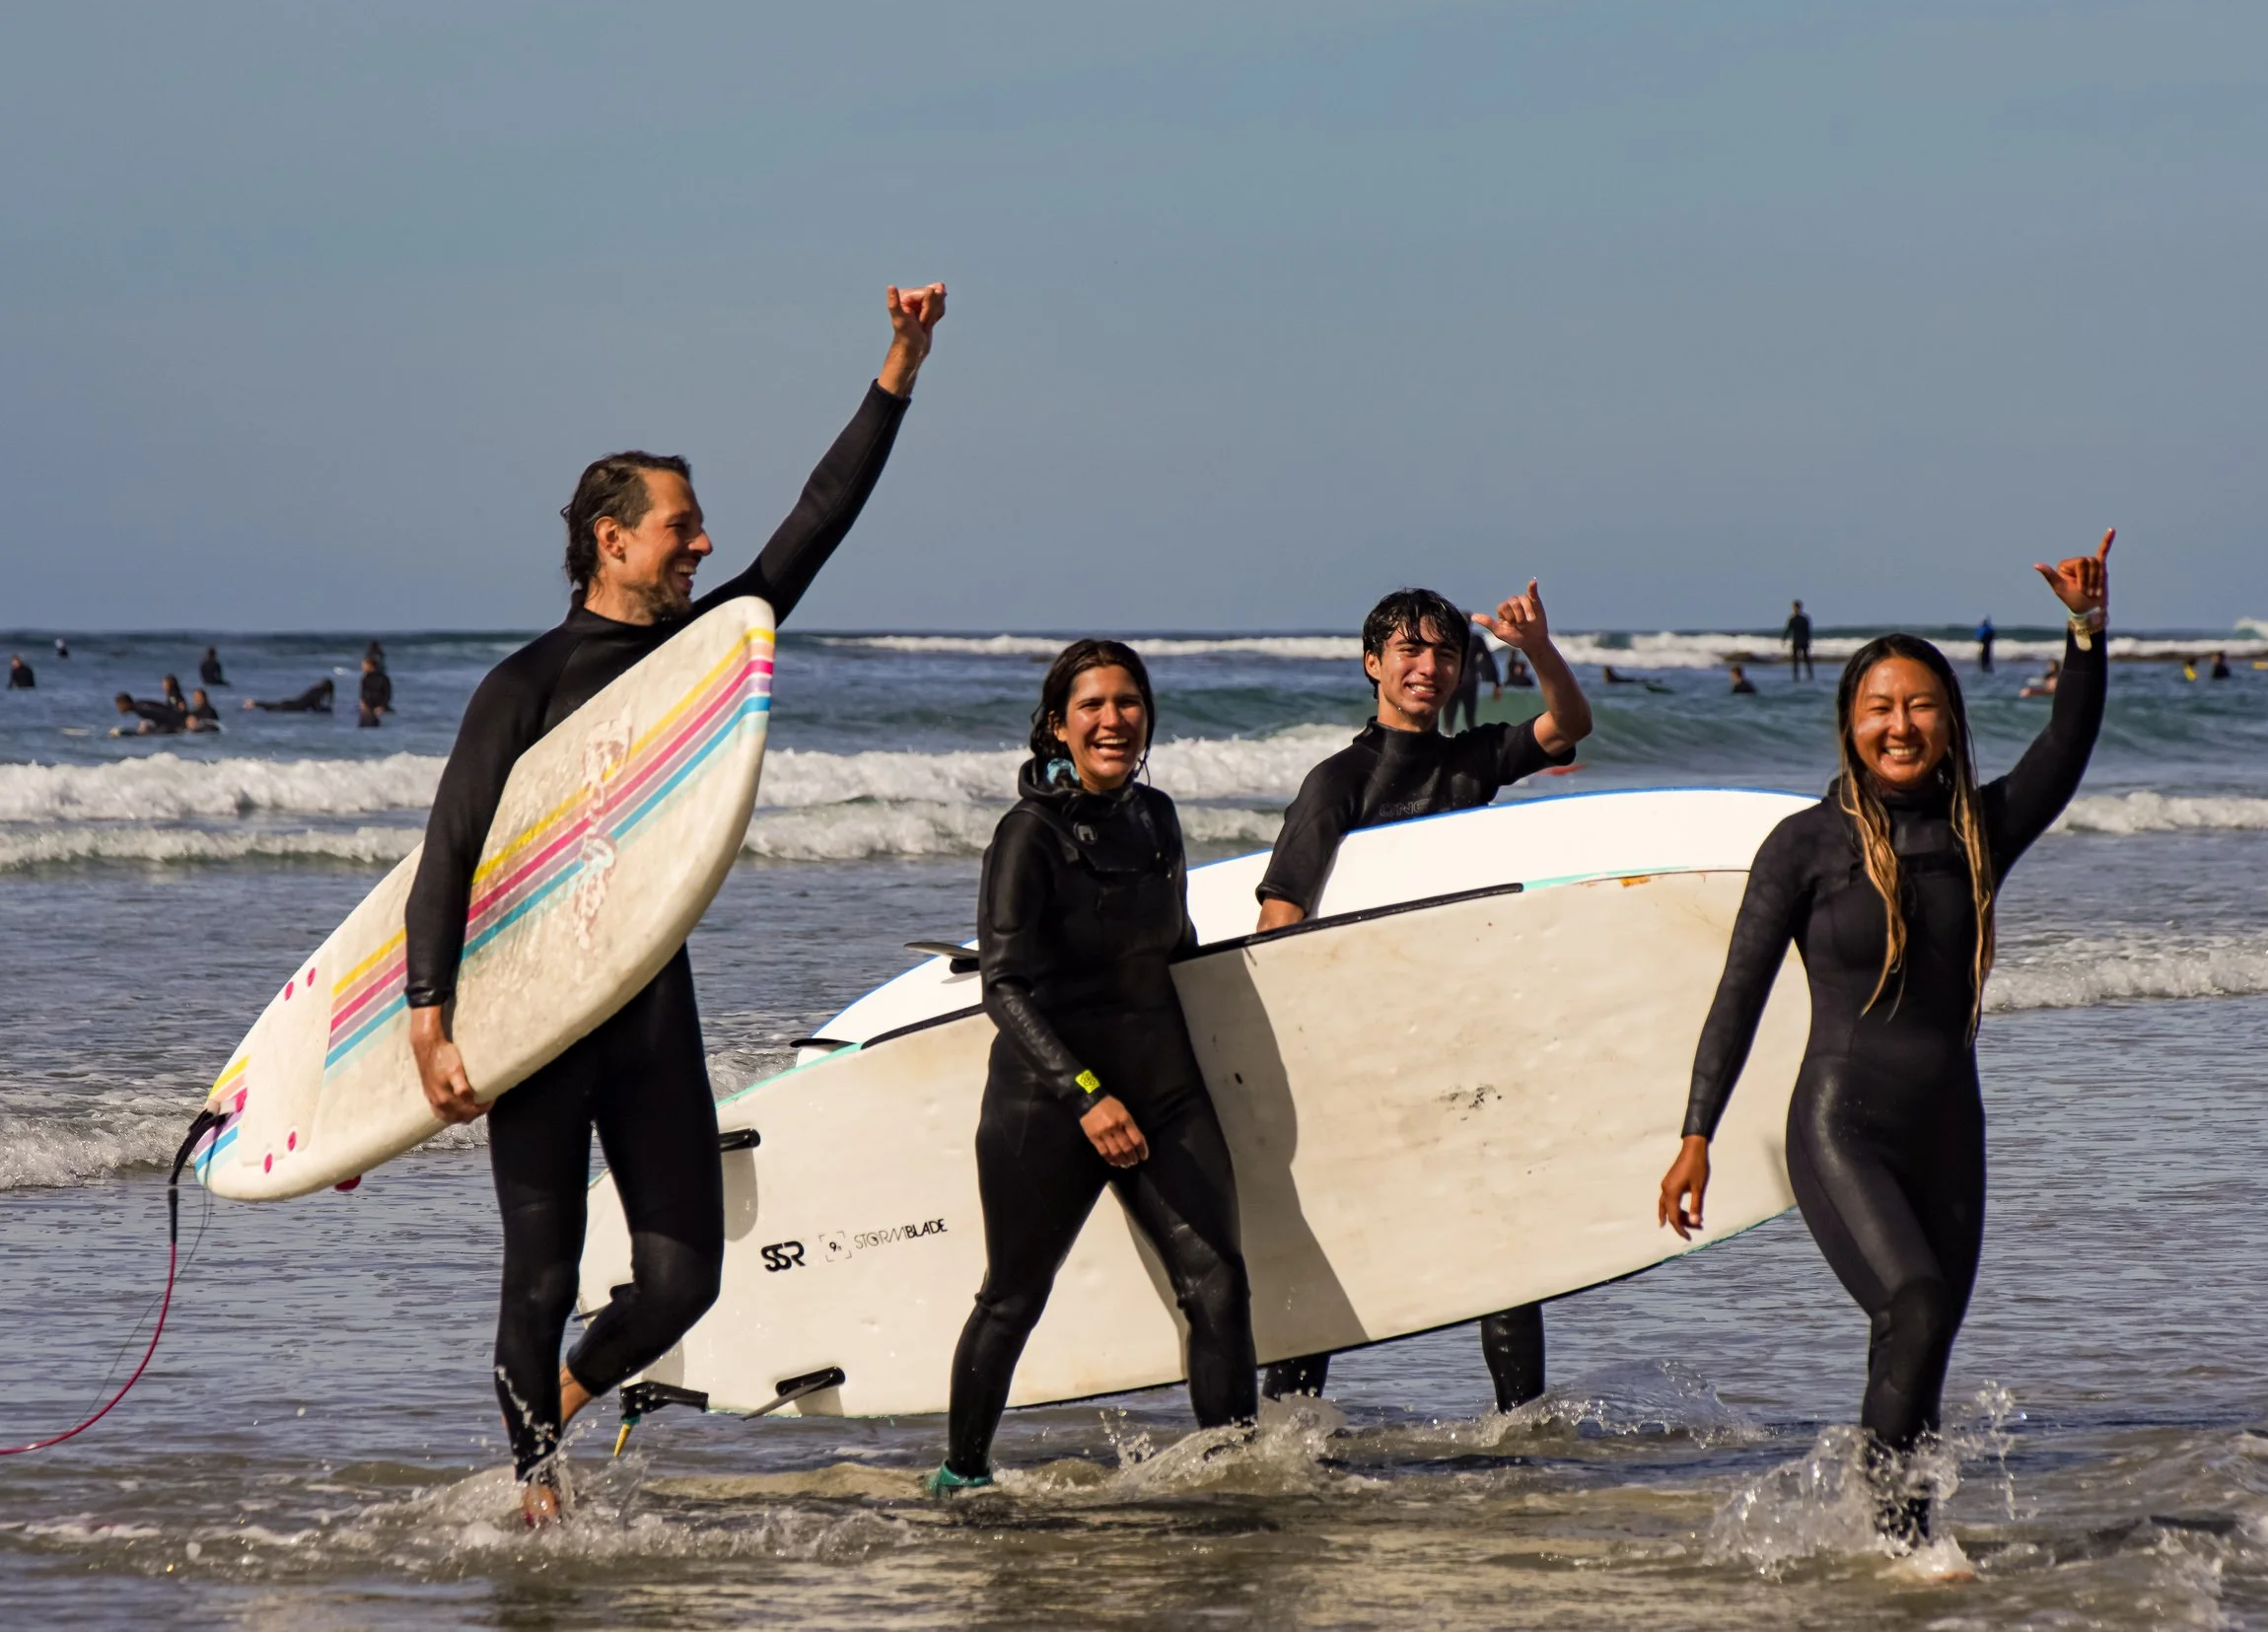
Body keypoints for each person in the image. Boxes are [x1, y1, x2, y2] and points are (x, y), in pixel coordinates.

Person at [405, 282, 945, 1525]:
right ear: (612, 536)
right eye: (681, 528)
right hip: (538, 1017)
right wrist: (429, 1017)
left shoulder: (701, 651)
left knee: (683, 1277)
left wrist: (898, 368)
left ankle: (557, 1397)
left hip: (651, 1006)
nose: (703, 545)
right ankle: (536, 1480)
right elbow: (449, 852)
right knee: (538, 1264)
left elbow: (819, 521)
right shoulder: (522, 686)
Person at [1660, 530, 2113, 1546]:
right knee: (1910, 1296)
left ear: (1948, 722)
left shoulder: (1976, 833)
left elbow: (2064, 747)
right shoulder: (1804, 846)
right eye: (1878, 707)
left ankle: (1888, 1527)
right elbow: (1735, 993)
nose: (1897, 724)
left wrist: (2084, 630)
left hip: (1949, 1125)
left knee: (1920, 1336)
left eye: (1917, 705)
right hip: (1839, 1123)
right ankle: (1907, 1546)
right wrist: (1696, 1133)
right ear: (1849, 723)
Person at [1252, 583, 1593, 1412]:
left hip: (1461, 1033)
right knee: (1332, 1237)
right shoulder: (1337, 782)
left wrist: (1537, 649)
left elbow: (1568, 727)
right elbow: (1279, 917)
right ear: (1373, 664)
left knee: (1503, 1234)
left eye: (1444, 652)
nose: (1428, 666)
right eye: (1409, 650)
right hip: (1359, 1047)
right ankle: (1286, 1431)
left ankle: (1521, 1429)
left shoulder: (1471, 760)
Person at [938, 640, 1256, 1492]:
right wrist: (1086, 1094)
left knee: (1218, 1285)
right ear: (1057, 725)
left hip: (1165, 1089)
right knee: (1014, 1296)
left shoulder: (1158, 818)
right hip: (1049, 1102)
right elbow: (1003, 987)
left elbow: (1178, 954)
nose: (1113, 719)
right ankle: (962, 1473)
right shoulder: (1027, 835)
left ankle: (1234, 1471)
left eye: (1128, 701)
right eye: (1092, 705)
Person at [1445, 633, 1501, 733]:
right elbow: (1488, 659)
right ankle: (1473, 744)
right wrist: (1496, 683)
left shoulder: (1449, 638)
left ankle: (1446, 742)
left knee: (1449, 718)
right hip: (1470, 681)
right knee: (1470, 718)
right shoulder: (1476, 639)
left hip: (1453, 680)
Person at [245, 677, 336, 713]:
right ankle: (253, 703)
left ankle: (253, 703)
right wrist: (326, 710)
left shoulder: (314, 690)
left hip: (292, 704)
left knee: (270, 707)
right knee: (271, 708)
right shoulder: (318, 692)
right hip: (294, 707)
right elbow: (315, 707)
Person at [110, 692, 187, 734]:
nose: (119, 709)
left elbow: (161, 712)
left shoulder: (141, 708)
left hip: (175, 723)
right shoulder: (139, 705)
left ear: (125, 704)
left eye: (119, 706)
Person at [358, 656, 393, 728]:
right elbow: (363, 693)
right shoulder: (365, 678)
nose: (362, 667)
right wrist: (363, 703)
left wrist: (382, 707)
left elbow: (387, 694)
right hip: (368, 705)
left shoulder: (383, 678)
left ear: (370, 666)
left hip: (380, 706)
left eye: (364, 665)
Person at [1786, 601, 1814, 681]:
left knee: (1807, 660)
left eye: (1797, 608)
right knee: (1795, 661)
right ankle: (1796, 677)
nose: (1796, 609)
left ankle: (1810, 676)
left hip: (1804, 642)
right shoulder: (1792, 619)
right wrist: (1784, 639)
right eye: (1794, 608)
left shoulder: (1804, 619)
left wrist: (1809, 640)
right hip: (1796, 642)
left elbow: (1808, 631)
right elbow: (1788, 630)